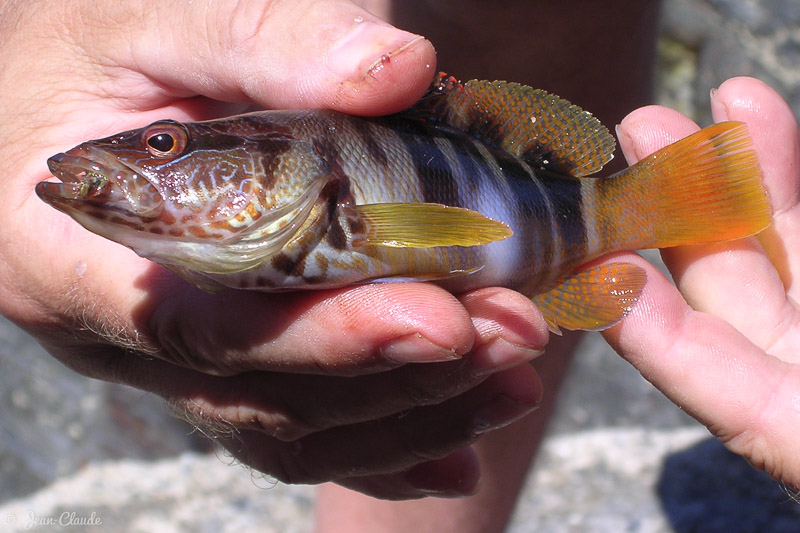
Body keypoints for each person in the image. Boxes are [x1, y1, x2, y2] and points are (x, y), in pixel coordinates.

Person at [1, 1, 798, 532]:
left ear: (284, 170)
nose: (147, 162)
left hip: (540, 219)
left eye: (165, 146)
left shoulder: (336, 198)